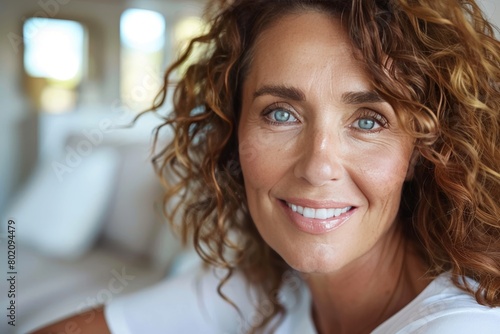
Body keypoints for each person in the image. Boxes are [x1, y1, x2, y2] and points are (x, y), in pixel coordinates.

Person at [33, 0, 500, 333]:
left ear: (419, 152)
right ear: (231, 132)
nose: (318, 167)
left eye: (368, 120)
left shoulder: (460, 325)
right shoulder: (262, 288)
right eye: (281, 113)